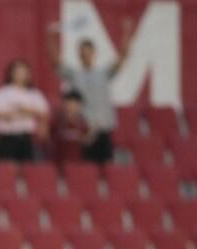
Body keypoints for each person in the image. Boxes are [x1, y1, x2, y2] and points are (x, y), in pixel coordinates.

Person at [48, 19, 135, 165]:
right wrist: (50, 38)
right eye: (83, 52)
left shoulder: (103, 73)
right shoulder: (74, 73)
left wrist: (127, 33)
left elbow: (122, 57)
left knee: (106, 167)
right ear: (79, 54)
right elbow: (56, 62)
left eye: (88, 51)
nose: (86, 55)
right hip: (84, 129)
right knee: (86, 169)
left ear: (94, 53)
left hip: (102, 127)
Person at [0, 60, 49, 162]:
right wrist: (23, 112)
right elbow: (1, 114)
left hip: (26, 138)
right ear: (11, 74)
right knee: (6, 171)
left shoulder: (34, 93)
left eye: (24, 72)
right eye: (18, 72)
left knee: (27, 169)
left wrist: (25, 110)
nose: (21, 75)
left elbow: (44, 112)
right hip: (7, 137)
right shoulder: (4, 92)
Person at [51, 90, 91, 165]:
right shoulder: (57, 119)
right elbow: (48, 137)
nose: (72, 106)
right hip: (58, 163)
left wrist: (92, 133)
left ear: (80, 105)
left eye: (75, 104)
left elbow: (85, 140)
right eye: (69, 103)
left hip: (76, 164)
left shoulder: (82, 122)